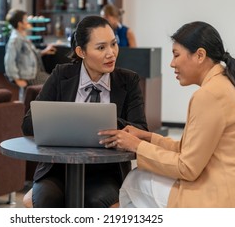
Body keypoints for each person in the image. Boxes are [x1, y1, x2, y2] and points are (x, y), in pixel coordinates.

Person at [99, 21, 235, 208]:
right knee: (138, 180)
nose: (172, 63)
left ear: (199, 55)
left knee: (135, 179)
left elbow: (187, 167)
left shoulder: (209, 95)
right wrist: (147, 137)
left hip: (226, 198)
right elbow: (190, 149)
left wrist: (137, 145)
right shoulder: (225, 83)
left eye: (176, 55)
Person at [22, 15, 148, 208]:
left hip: (106, 172)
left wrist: (106, 122)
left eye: (113, 44)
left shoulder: (128, 81)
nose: (111, 53)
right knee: (46, 200)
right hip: (58, 169)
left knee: (95, 201)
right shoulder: (61, 75)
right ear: (81, 51)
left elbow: (141, 129)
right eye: (101, 47)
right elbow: (28, 124)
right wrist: (69, 117)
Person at [4, 9, 56, 100]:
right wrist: (17, 80)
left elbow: (32, 54)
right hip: (30, 76)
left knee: (56, 81)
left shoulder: (23, 37)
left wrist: (44, 51)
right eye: (25, 19)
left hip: (35, 73)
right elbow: (9, 61)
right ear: (20, 23)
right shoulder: (16, 39)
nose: (27, 21)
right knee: (55, 83)